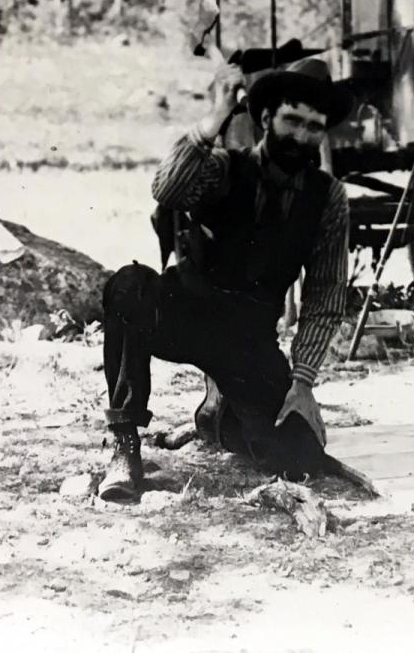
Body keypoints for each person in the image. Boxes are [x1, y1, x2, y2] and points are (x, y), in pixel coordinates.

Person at [96, 56, 352, 503]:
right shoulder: (223, 167)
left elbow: (326, 293)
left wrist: (303, 383)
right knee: (129, 286)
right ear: (266, 118)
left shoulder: (327, 198)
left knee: (298, 458)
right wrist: (214, 116)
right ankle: (124, 443)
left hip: (247, 338)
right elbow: (166, 190)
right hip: (185, 311)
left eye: (314, 127)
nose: (301, 137)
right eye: (292, 120)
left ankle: (218, 416)